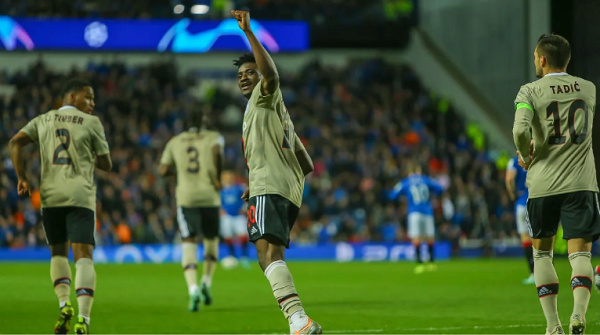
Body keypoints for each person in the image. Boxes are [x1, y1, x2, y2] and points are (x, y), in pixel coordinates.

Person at [231, 9, 321, 335]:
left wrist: (249, 33)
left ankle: (298, 320)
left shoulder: (264, 97)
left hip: (270, 186)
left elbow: (271, 75)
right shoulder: (280, 117)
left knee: (267, 253)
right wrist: (260, 177)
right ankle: (297, 319)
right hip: (284, 189)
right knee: (265, 253)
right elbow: (307, 164)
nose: (244, 77)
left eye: (250, 72)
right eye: (240, 74)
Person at [8, 79, 112, 334]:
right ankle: (83, 320)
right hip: (80, 196)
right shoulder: (92, 123)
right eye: (89, 97)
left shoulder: (44, 120)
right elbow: (107, 164)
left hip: (51, 197)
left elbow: (15, 142)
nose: (92, 103)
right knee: (84, 256)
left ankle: (64, 304)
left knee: (57, 253)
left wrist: (21, 177)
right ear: (73, 97)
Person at [513, 33, 599, 335]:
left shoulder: (529, 92)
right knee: (581, 255)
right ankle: (578, 314)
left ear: (542, 59)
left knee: (542, 254)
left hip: (543, 186)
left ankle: (553, 326)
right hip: (581, 183)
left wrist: (526, 155)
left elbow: (519, 131)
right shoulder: (588, 89)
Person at [159, 109, 224, 312]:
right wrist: (218, 176)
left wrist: (178, 170)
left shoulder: (175, 141)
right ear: (204, 121)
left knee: (189, 241)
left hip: (187, 198)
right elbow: (217, 153)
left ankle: (193, 289)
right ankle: (206, 281)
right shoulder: (213, 137)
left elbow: (162, 170)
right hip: (210, 195)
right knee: (211, 240)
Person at [388, 161, 444, 274]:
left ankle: (420, 264)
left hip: (414, 212)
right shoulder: (426, 179)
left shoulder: (406, 182)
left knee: (417, 237)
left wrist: (404, 197)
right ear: (419, 170)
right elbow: (440, 188)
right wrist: (432, 195)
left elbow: (393, 194)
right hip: (427, 211)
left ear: (409, 172)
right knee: (430, 237)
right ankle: (432, 263)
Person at [505, 156, 535, 284]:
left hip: (521, 204)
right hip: (535, 202)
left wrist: (512, 195)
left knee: (525, 239)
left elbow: (509, 178)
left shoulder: (514, 161)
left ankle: (533, 274)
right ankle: (544, 272)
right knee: (539, 239)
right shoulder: (536, 158)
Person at [219, 170, 250, 269]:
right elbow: (219, 202)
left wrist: (244, 209)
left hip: (238, 216)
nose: (229, 179)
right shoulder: (222, 191)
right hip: (227, 216)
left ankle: (244, 257)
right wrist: (221, 210)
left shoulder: (239, 188)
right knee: (228, 236)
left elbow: (246, 199)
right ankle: (232, 256)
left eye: (230, 177)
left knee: (243, 235)